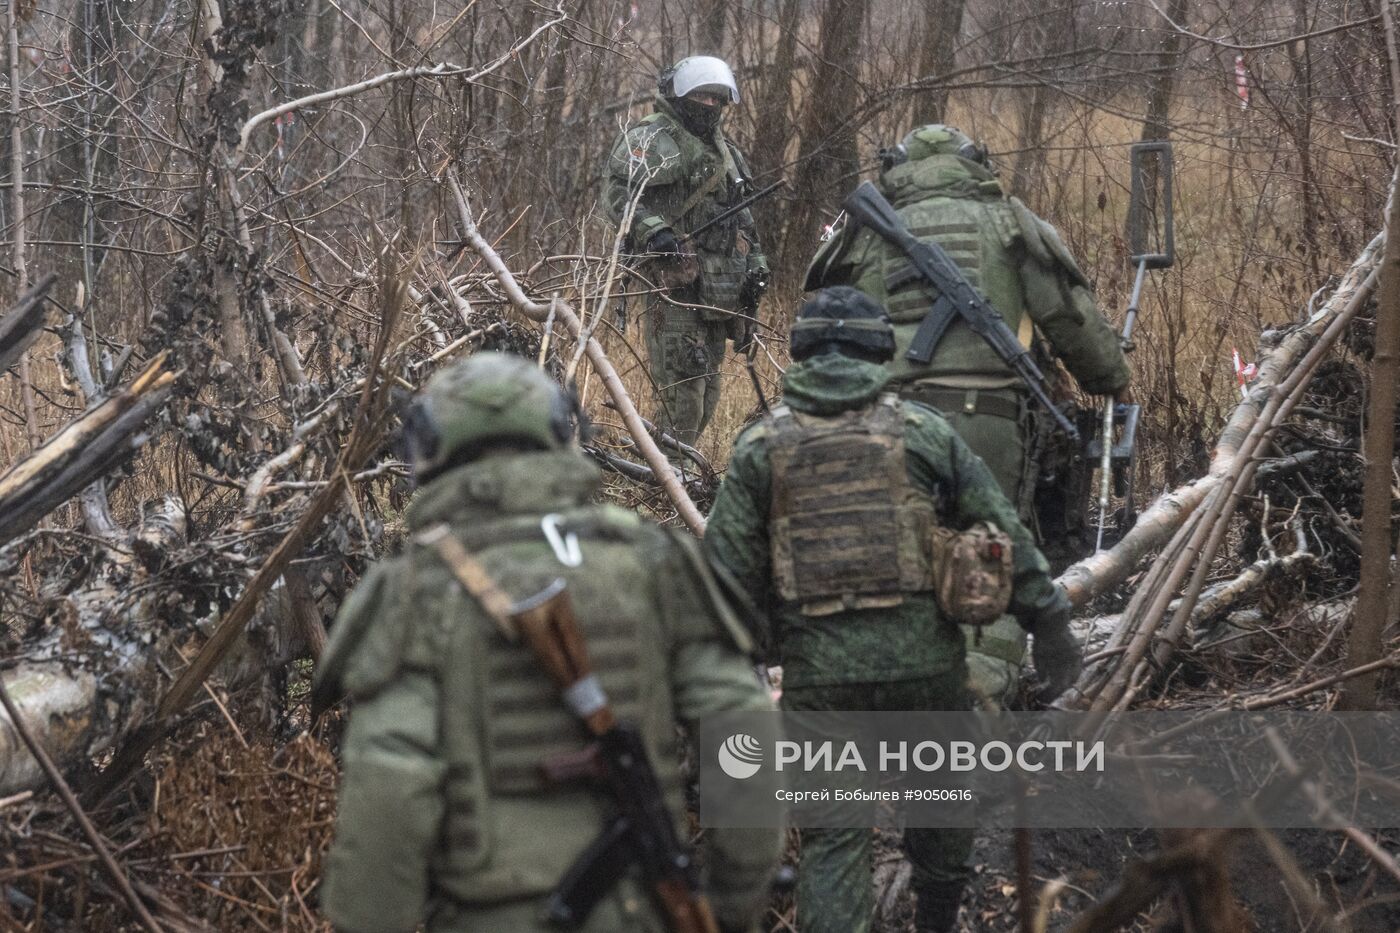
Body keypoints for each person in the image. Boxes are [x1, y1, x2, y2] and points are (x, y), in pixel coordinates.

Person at [314, 352, 782, 933]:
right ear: (565, 431)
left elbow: (391, 787)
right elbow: (740, 726)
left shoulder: (414, 591)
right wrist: (734, 903)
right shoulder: (650, 560)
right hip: (651, 912)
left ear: (424, 450)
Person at [703, 288, 1082, 933]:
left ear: (800, 353)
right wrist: (1048, 619)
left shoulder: (759, 449)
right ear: (884, 350)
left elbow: (720, 581)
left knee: (834, 842)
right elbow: (1005, 530)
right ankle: (934, 920)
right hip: (925, 672)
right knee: (940, 816)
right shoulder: (924, 432)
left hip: (820, 682)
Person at [805, 124, 1130, 703]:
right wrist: (1110, 379)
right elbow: (1072, 323)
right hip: (989, 422)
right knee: (987, 560)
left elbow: (819, 318)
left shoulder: (860, 234)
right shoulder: (1008, 222)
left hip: (880, 420)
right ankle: (975, 702)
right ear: (974, 163)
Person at [602, 55, 769, 449]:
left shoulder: (725, 151)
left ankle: (676, 475)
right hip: (674, 286)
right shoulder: (653, 137)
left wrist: (757, 266)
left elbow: (743, 217)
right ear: (679, 95)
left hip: (719, 289)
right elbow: (617, 195)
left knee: (708, 392)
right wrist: (654, 231)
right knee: (683, 394)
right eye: (701, 97)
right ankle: (669, 480)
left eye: (716, 99)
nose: (709, 105)